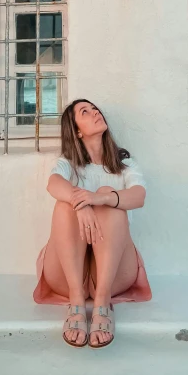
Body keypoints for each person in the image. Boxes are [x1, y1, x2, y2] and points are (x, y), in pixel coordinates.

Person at [33, 98, 152, 349]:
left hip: (112, 274)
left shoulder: (124, 164)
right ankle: (76, 302)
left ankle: (102, 304)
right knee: (64, 203)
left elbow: (139, 196)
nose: (95, 112)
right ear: (77, 131)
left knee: (112, 197)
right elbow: (53, 184)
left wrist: (100, 198)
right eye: (85, 112)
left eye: (94, 108)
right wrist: (81, 203)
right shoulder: (67, 164)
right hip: (66, 274)